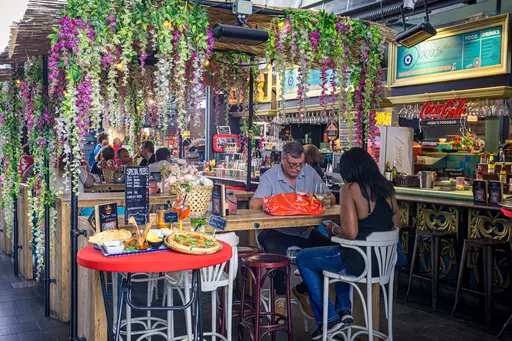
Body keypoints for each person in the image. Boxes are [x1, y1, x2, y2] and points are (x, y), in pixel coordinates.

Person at [295, 147, 400, 339]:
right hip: (384, 265)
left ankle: (330, 320)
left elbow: (350, 234)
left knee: (303, 258)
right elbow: (395, 225)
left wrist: (333, 229)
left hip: (360, 262)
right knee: (337, 253)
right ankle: (344, 310)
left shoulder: (350, 189)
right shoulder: (387, 188)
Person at [249, 141, 336, 318]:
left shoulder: (310, 173)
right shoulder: (270, 176)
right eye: (293, 164)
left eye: (300, 164)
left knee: (332, 251)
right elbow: (254, 204)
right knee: (278, 255)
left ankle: (301, 290)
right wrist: (283, 201)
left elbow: (329, 196)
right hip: (274, 231)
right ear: (282, 160)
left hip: (303, 231)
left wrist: (327, 200)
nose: (297, 169)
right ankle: (280, 296)